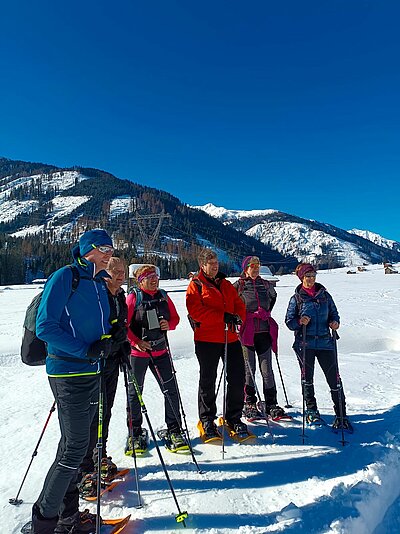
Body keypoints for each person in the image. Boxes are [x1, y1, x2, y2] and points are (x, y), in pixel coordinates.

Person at [31, 229, 117, 534]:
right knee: (74, 449)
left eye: (111, 248)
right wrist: (85, 349)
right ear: (87, 250)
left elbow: (98, 326)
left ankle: (67, 519)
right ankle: (44, 523)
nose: (110, 252)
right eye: (104, 248)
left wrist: (110, 338)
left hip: (92, 371)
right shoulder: (66, 277)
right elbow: (45, 327)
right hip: (68, 372)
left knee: (77, 447)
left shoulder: (99, 283)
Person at [79, 256, 131, 498]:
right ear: (104, 272)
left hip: (111, 361)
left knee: (105, 411)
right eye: (115, 271)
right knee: (92, 414)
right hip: (94, 362)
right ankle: (85, 468)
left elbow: (121, 326)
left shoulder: (120, 295)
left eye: (123, 271)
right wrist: (109, 340)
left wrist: (122, 345)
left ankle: (99, 455)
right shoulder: (98, 295)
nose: (120, 275)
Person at [186, 248, 248, 440]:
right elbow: (196, 311)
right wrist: (222, 317)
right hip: (207, 339)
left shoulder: (226, 284)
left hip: (230, 338)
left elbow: (239, 304)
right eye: (211, 264)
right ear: (202, 265)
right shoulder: (195, 285)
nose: (215, 267)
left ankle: (233, 417)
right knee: (208, 380)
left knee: (238, 378)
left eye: (216, 264)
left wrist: (238, 317)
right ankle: (207, 419)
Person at [125, 264, 187, 454]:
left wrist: (168, 324)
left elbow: (176, 319)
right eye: (149, 277)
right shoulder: (133, 298)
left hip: (161, 352)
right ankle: (134, 433)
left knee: (171, 391)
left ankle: (174, 430)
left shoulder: (163, 296)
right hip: (138, 355)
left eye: (155, 276)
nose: (154, 280)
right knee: (135, 394)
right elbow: (124, 326)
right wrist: (136, 342)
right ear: (140, 280)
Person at [285, 263, 352, 431]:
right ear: (301, 278)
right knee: (307, 379)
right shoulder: (297, 298)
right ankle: (311, 410)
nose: (311, 279)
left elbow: (334, 313)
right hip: (305, 343)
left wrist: (335, 322)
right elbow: (289, 321)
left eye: (313, 275)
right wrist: (300, 322)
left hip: (325, 343)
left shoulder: (325, 296)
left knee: (334, 379)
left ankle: (341, 414)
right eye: (307, 276)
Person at [234, 255, 287, 420]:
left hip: (264, 331)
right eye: (252, 266)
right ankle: (249, 402)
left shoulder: (266, 284)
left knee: (267, 371)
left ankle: (271, 403)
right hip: (247, 332)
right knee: (249, 370)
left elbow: (272, 299)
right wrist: (243, 316)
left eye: (257, 266)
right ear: (246, 269)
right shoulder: (239, 285)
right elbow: (231, 304)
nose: (255, 269)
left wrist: (265, 313)